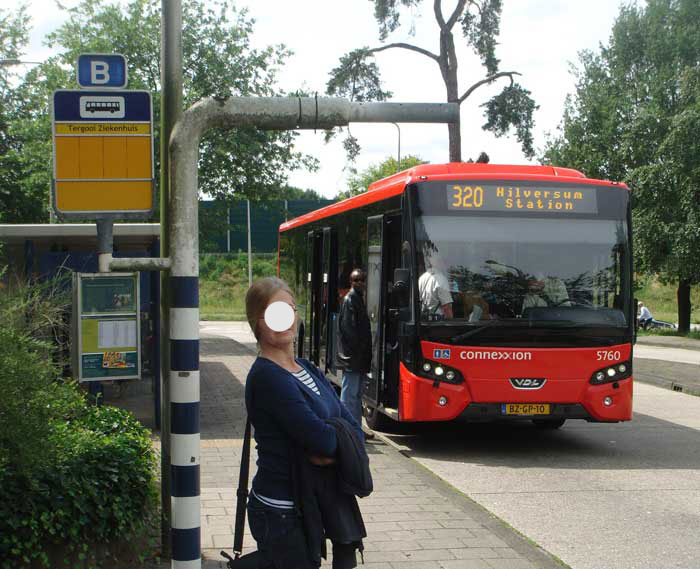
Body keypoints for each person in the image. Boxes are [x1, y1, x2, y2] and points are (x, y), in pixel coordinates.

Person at [244, 277, 367, 568]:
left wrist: (337, 440)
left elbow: (354, 432)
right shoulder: (267, 376)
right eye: (274, 313)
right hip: (281, 510)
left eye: (289, 310)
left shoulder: (307, 368)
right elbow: (322, 440)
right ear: (257, 323)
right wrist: (338, 438)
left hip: (310, 503)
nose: (284, 319)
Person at [338, 269, 373, 439]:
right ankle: (347, 430)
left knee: (356, 395)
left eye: (361, 280)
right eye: (355, 280)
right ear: (351, 282)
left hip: (359, 359)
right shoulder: (350, 300)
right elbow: (348, 330)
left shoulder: (358, 299)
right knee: (349, 395)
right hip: (353, 359)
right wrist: (358, 352)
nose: (359, 283)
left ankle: (356, 429)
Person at [418, 254, 454, 319]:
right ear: (440, 262)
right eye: (444, 261)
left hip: (424, 320)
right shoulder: (441, 279)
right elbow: (446, 307)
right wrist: (451, 322)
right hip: (438, 323)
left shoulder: (422, 278)